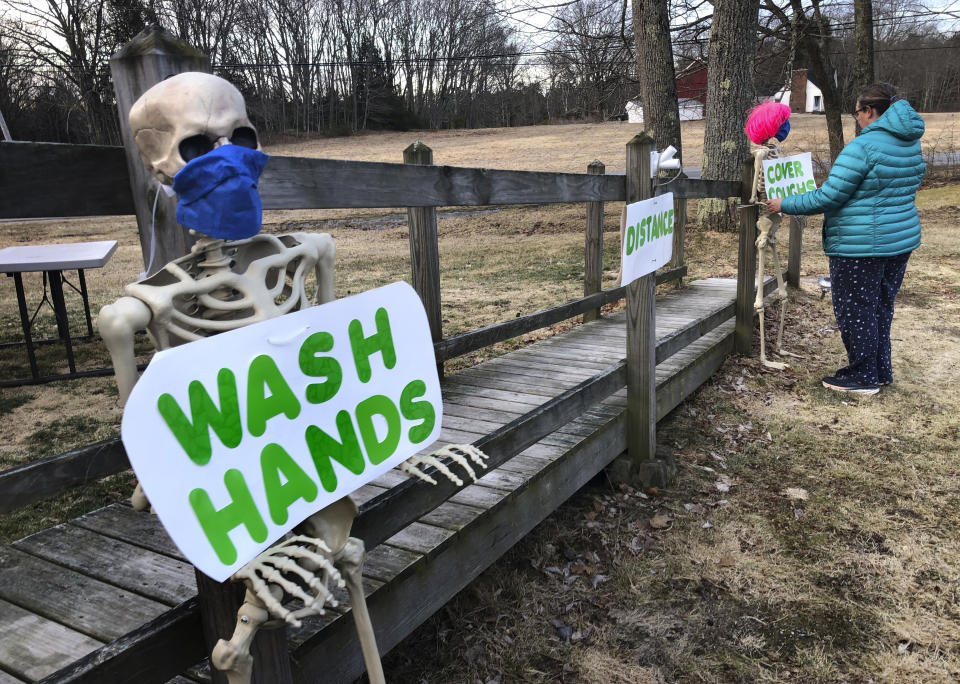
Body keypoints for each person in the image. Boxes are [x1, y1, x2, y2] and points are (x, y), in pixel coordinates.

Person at [766, 83, 925, 395]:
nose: (857, 120)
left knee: (856, 308)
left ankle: (862, 376)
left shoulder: (863, 147)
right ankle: (879, 370)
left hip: (861, 244)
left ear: (870, 111)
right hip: (899, 241)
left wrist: (784, 203)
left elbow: (829, 196)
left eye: (858, 113)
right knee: (880, 307)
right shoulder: (909, 143)